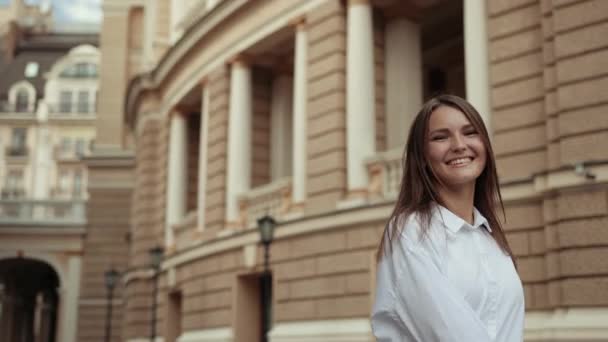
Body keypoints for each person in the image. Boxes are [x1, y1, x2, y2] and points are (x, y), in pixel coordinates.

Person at [371, 94, 525, 341]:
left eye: (470, 132)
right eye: (440, 137)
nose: (459, 145)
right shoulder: (410, 231)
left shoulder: (491, 238)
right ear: (421, 156)